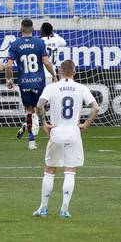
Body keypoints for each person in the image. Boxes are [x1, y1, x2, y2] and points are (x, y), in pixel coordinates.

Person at [33, 60, 99, 219]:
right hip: (73, 133)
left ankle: (43, 208)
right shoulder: (81, 88)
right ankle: (64, 209)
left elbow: (39, 105)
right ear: (74, 72)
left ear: (59, 72)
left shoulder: (51, 87)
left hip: (56, 132)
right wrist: (86, 124)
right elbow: (95, 108)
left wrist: (44, 123)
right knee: (70, 171)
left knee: (49, 170)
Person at [5, 19, 57, 150]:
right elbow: (46, 62)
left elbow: (8, 65)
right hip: (39, 81)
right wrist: (55, 76)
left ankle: (31, 141)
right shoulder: (40, 43)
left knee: (29, 111)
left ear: (21, 29)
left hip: (24, 81)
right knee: (40, 108)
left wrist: (9, 79)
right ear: (33, 29)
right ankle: (47, 130)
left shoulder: (15, 44)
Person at [16, 22, 67, 140]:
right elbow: (64, 42)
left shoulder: (38, 42)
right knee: (46, 104)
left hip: (39, 75)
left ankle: (29, 124)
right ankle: (50, 125)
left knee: (36, 105)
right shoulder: (57, 41)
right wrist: (53, 34)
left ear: (41, 31)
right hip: (51, 74)